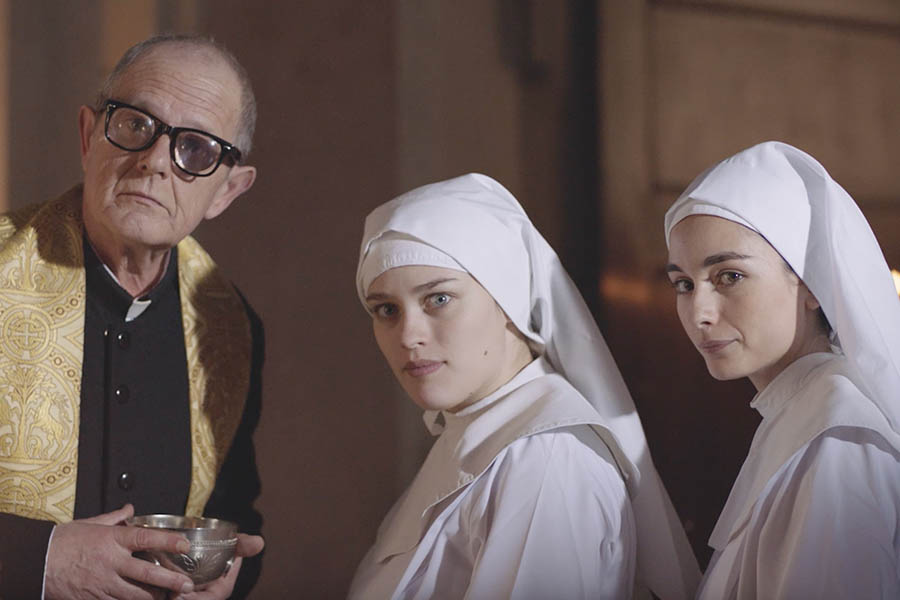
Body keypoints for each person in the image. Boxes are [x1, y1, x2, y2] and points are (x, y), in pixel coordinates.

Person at [0, 34, 265, 599]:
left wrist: (227, 581)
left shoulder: (230, 328)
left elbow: (234, 514)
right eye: (135, 124)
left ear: (227, 191)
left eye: (196, 149)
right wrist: (39, 561)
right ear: (87, 136)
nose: (154, 162)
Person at [349, 173, 699, 599]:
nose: (408, 336)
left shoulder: (547, 461)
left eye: (438, 299)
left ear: (508, 297)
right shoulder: (479, 430)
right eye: (386, 310)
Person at [664, 141, 900, 599]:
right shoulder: (798, 415)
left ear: (811, 283)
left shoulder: (836, 443)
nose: (699, 313)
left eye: (729, 276)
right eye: (684, 284)